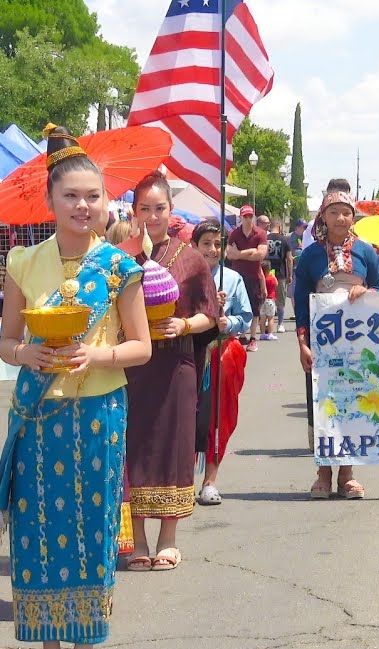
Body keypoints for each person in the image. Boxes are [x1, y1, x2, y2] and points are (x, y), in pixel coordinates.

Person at [0, 125, 150, 649]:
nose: (83, 206)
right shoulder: (23, 262)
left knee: (90, 532)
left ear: (105, 200)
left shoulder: (118, 267)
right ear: (50, 201)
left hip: (97, 414)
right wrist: (25, 353)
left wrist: (99, 353)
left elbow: (141, 346)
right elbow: (6, 339)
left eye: (93, 196)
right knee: (36, 536)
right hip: (38, 418)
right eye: (71, 196)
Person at [121, 172, 218, 573]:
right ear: (133, 211)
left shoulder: (190, 258)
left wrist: (184, 325)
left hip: (176, 363)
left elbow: (210, 314)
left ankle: (169, 539)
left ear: (170, 211)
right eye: (145, 209)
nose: (152, 216)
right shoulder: (120, 256)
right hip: (133, 368)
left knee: (173, 446)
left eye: (159, 209)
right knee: (135, 447)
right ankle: (138, 539)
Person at [294, 190, 379, 499]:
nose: (340, 218)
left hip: (359, 345)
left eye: (346, 212)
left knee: (355, 404)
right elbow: (301, 304)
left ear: (353, 217)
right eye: (334, 212)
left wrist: (367, 292)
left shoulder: (366, 251)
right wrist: (303, 344)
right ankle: (322, 474)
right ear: (323, 216)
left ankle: (347, 474)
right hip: (323, 347)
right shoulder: (309, 256)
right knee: (324, 405)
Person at [192, 222, 252, 507]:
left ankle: (210, 481)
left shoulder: (233, 278)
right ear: (194, 246)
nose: (212, 250)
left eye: (217, 244)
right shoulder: (183, 275)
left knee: (218, 419)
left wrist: (231, 322)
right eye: (206, 243)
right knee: (188, 418)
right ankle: (181, 481)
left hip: (222, 354)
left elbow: (246, 316)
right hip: (190, 354)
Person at [226, 205, 268, 351]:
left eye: (250, 216)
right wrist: (250, 252)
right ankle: (241, 335)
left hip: (253, 276)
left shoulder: (260, 233)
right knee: (238, 306)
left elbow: (260, 254)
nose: (248, 219)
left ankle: (253, 338)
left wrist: (240, 254)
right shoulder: (234, 234)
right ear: (241, 218)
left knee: (254, 308)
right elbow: (229, 254)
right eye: (245, 216)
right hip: (237, 277)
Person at [266, 219, 291, 331]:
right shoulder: (285, 240)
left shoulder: (265, 239)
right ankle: (280, 324)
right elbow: (289, 259)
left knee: (266, 298)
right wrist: (290, 274)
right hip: (280, 273)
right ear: (280, 227)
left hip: (266, 272)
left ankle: (266, 321)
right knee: (281, 300)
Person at [260, 260, 279, 339]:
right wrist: (273, 276)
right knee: (271, 318)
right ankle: (270, 333)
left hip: (262, 300)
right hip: (270, 300)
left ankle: (263, 334)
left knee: (262, 318)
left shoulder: (261, 279)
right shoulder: (271, 278)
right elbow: (276, 284)